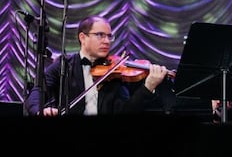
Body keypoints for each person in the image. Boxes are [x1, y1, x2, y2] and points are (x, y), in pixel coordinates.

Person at [24, 15, 170, 116]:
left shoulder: (116, 72)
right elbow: (38, 90)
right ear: (83, 38)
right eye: (100, 35)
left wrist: (148, 87)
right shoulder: (64, 66)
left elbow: (127, 111)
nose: (107, 41)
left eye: (109, 36)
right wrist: (40, 111)